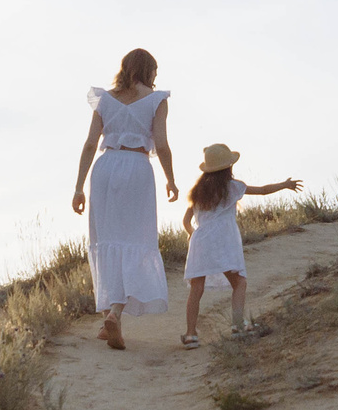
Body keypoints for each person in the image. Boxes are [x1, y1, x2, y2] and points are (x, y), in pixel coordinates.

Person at [70, 48, 177, 350]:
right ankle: (115, 313)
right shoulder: (157, 100)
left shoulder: (105, 99)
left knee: (106, 239)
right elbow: (162, 145)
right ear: (147, 70)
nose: (156, 77)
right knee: (135, 238)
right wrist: (170, 179)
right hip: (137, 168)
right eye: (154, 71)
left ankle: (108, 316)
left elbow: (90, 144)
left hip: (105, 168)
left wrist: (78, 187)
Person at [178, 143, 303, 347]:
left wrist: (194, 235)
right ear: (228, 167)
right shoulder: (233, 186)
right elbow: (262, 191)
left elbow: (186, 222)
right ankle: (237, 325)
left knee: (196, 288)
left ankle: (191, 334)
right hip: (223, 239)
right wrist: (284, 184)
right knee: (239, 283)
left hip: (201, 241)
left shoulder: (198, 193)